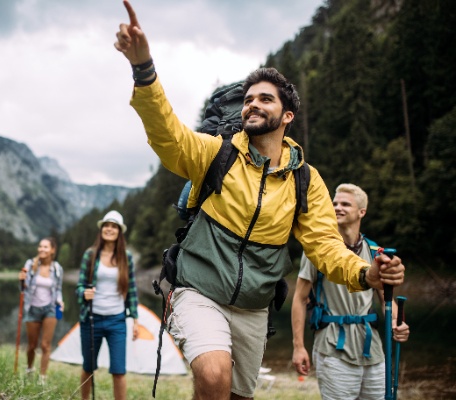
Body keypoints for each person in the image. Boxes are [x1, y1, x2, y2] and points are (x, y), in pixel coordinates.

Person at [113, 2, 405, 399]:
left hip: (253, 307)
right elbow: (169, 135)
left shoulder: (306, 180)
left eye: (265, 99)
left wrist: (364, 274)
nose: (252, 104)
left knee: (236, 395)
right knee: (214, 375)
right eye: (249, 98)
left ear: (287, 116)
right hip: (198, 289)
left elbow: (324, 246)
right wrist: (144, 69)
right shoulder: (216, 153)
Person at [291, 183, 410, 399]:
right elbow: (299, 299)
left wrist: (395, 323)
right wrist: (298, 347)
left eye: (345, 204)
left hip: (372, 350)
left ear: (361, 212)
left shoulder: (375, 252)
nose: (337, 207)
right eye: (334, 203)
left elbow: (387, 300)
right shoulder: (318, 250)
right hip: (333, 347)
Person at [76, 210, 139, 400]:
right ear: (101, 229)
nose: (109, 229)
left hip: (117, 320)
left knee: (119, 370)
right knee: (88, 367)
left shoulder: (126, 257)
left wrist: (135, 320)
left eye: (113, 226)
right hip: (91, 319)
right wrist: (83, 293)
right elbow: (79, 286)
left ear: (119, 232)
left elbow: (132, 289)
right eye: (106, 225)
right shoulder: (90, 255)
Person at [18, 236, 64, 385]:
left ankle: (42, 378)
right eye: (40, 246)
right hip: (32, 308)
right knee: (32, 345)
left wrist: (60, 301)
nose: (41, 249)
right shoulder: (31, 264)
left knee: (45, 345)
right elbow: (23, 289)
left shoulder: (57, 268)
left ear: (52, 250)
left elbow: (58, 289)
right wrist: (21, 280)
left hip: (50, 308)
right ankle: (30, 369)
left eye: (45, 247)